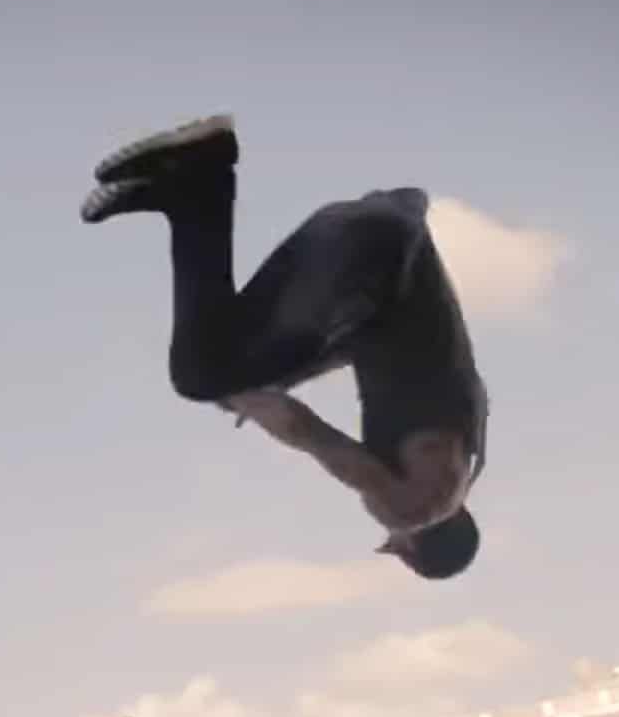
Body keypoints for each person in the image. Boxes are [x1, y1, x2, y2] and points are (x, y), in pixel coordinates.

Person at [81, 114, 489, 579]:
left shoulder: (462, 440)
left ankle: (190, 196)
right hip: (366, 263)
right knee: (200, 374)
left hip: (374, 238)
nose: (389, 533)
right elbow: (305, 431)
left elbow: (367, 340)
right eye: (396, 546)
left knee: (223, 367)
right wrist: (251, 399)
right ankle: (201, 179)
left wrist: (269, 384)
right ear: (413, 550)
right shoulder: (415, 507)